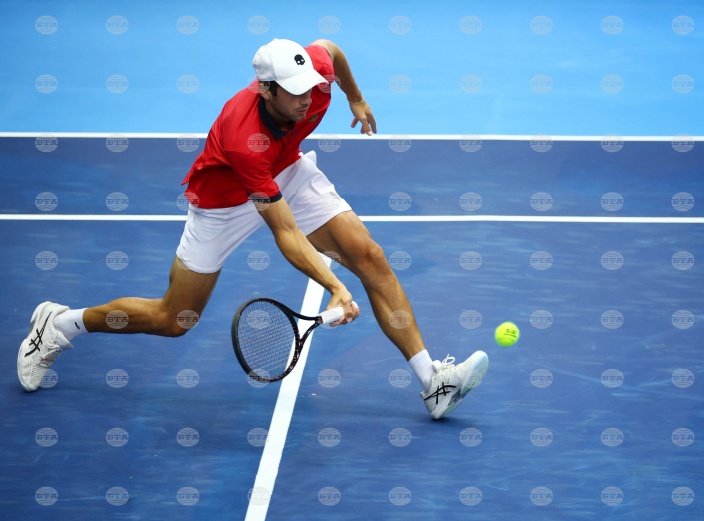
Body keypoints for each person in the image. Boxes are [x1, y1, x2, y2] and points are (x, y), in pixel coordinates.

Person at [17, 38, 488, 419]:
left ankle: (433, 382)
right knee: (174, 319)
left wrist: (355, 97)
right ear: (265, 90)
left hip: (286, 171)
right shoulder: (244, 138)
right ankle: (58, 324)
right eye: (294, 92)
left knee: (369, 256)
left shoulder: (316, 77)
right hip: (223, 203)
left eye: (310, 86)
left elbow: (331, 49)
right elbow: (285, 232)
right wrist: (334, 286)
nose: (307, 99)